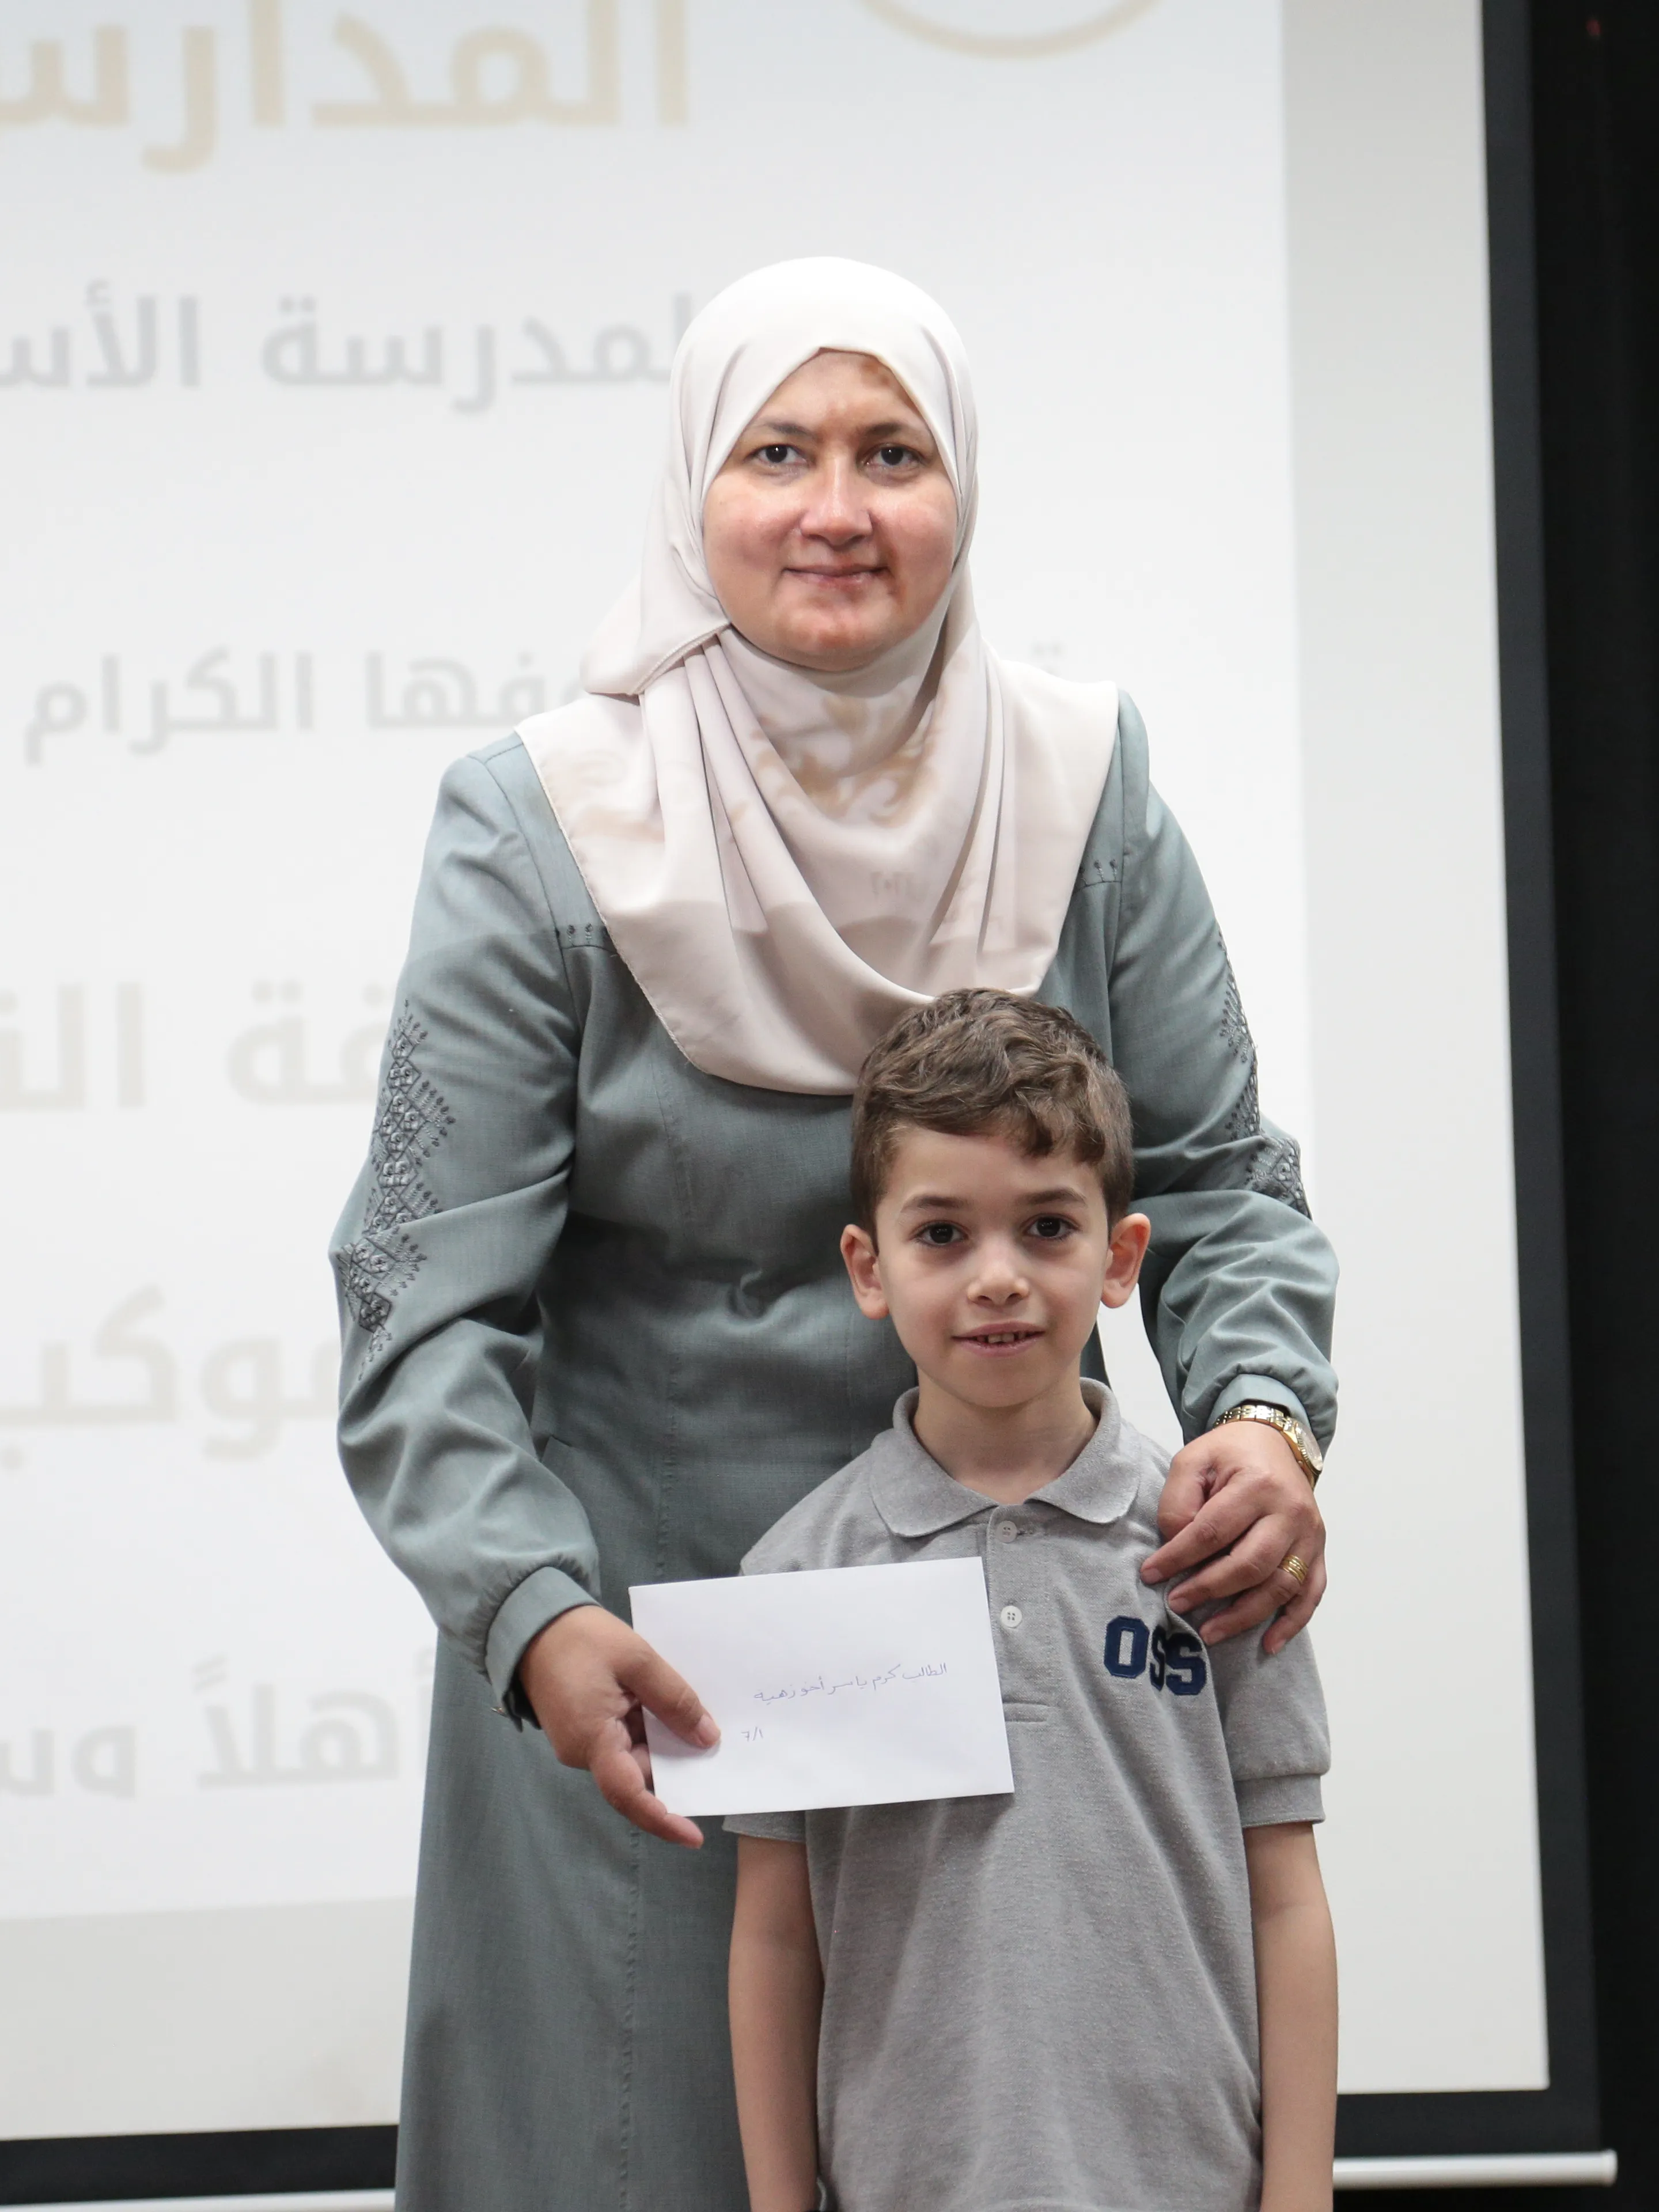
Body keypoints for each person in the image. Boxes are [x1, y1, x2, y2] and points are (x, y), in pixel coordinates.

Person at [330, 257, 1339, 2208]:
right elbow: (420, 1304)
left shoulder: (1083, 786)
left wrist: (1267, 1420)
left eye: (894, 454)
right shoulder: (544, 825)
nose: (836, 509)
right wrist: (536, 1614)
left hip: (1038, 1633)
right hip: (656, 1663)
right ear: (693, 492)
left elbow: (1218, 1179)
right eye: (777, 453)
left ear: (964, 488)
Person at [725, 990, 1336, 2212]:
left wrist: (1300, 2199)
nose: (997, 1277)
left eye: (1047, 1226)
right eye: (943, 1234)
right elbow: (775, 1939)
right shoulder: (795, 1578)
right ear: (869, 1269)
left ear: (1120, 1257)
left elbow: (1286, 1902)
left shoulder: (1219, 1545)